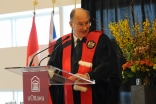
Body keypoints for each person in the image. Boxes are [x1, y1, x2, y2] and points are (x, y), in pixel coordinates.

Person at [48, 8, 121, 104]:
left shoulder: (100, 40)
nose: (85, 27)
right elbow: (53, 68)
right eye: (80, 24)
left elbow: (108, 64)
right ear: (71, 24)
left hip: (94, 96)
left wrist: (88, 76)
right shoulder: (62, 43)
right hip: (67, 97)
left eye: (87, 23)